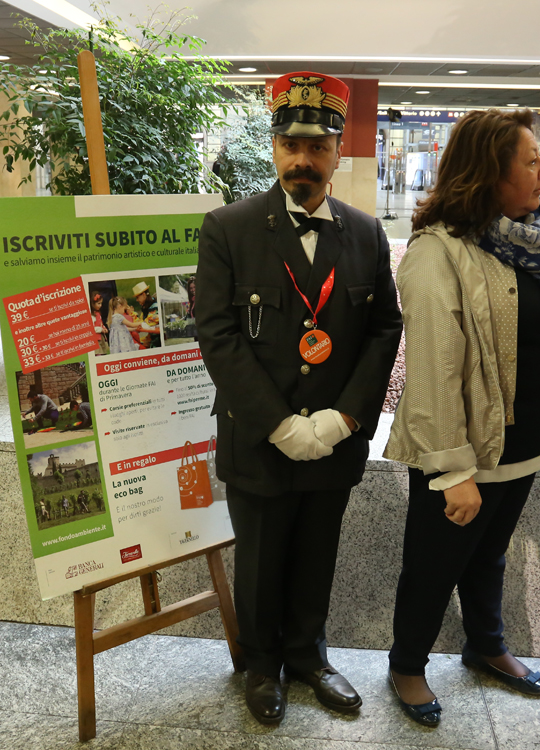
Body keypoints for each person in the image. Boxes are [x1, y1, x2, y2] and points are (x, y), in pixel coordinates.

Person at [196, 71, 403, 725]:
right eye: (290, 144)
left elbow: (383, 327)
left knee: (318, 552)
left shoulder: (366, 234)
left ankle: (308, 657)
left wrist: (345, 417)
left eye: (316, 146)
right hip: (260, 437)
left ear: (338, 151)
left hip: (335, 437)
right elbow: (217, 334)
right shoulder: (227, 228)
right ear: (273, 147)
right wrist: (280, 424)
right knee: (258, 561)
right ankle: (261, 665)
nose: (302, 160)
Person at [383, 108, 540, 727]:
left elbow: (539, 308)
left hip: (527, 439)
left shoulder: (533, 234)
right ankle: (407, 664)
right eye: (529, 161)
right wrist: (452, 472)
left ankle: (484, 643)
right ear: (486, 173)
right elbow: (431, 375)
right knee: (434, 563)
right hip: (468, 450)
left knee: (490, 551)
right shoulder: (438, 254)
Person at [132, 281, 161, 348]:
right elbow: (140, 321)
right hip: (151, 337)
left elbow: (146, 324)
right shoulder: (146, 307)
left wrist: (133, 325)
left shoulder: (154, 307)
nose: (136, 300)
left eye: (137, 297)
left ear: (144, 294)